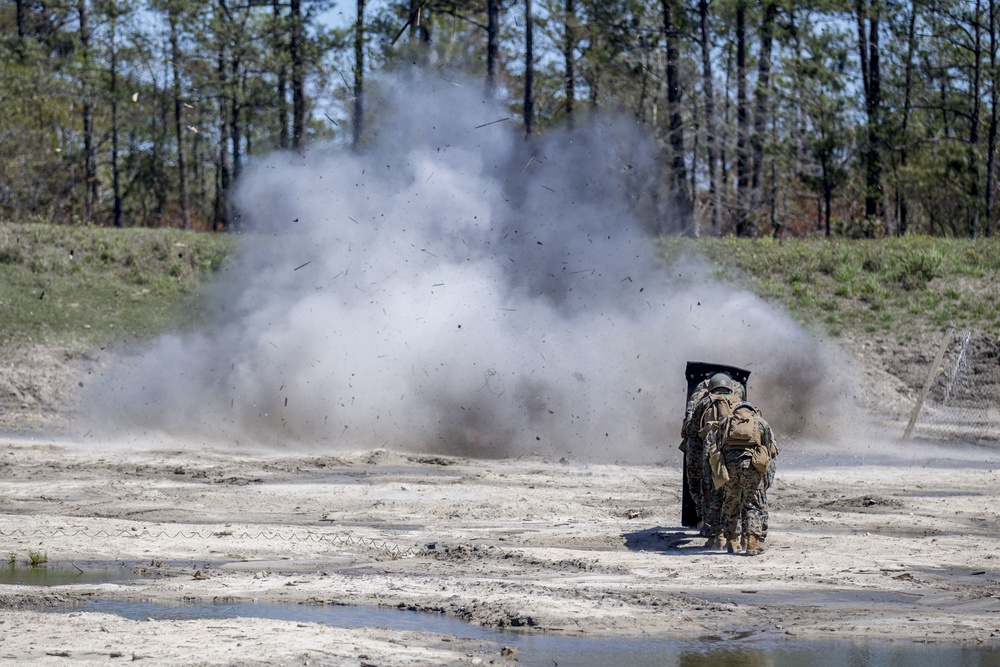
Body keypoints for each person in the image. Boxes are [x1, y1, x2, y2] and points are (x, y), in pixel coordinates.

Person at [684, 373, 741, 550]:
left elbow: (692, 429)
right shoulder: (739, 402)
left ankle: (717, 536)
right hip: (735, 453)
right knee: (734, 493)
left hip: (712, 452)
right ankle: (738, 537)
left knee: (712, 493)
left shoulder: (704, 402)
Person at [713, 401, 778, 556]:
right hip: (751, 468)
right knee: (753, 504)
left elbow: (717, 444)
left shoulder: (725, 422)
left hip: (729, 468)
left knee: (731, 502)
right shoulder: (761, 423)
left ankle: (732, 540)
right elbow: (771, 449)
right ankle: (752, 542)